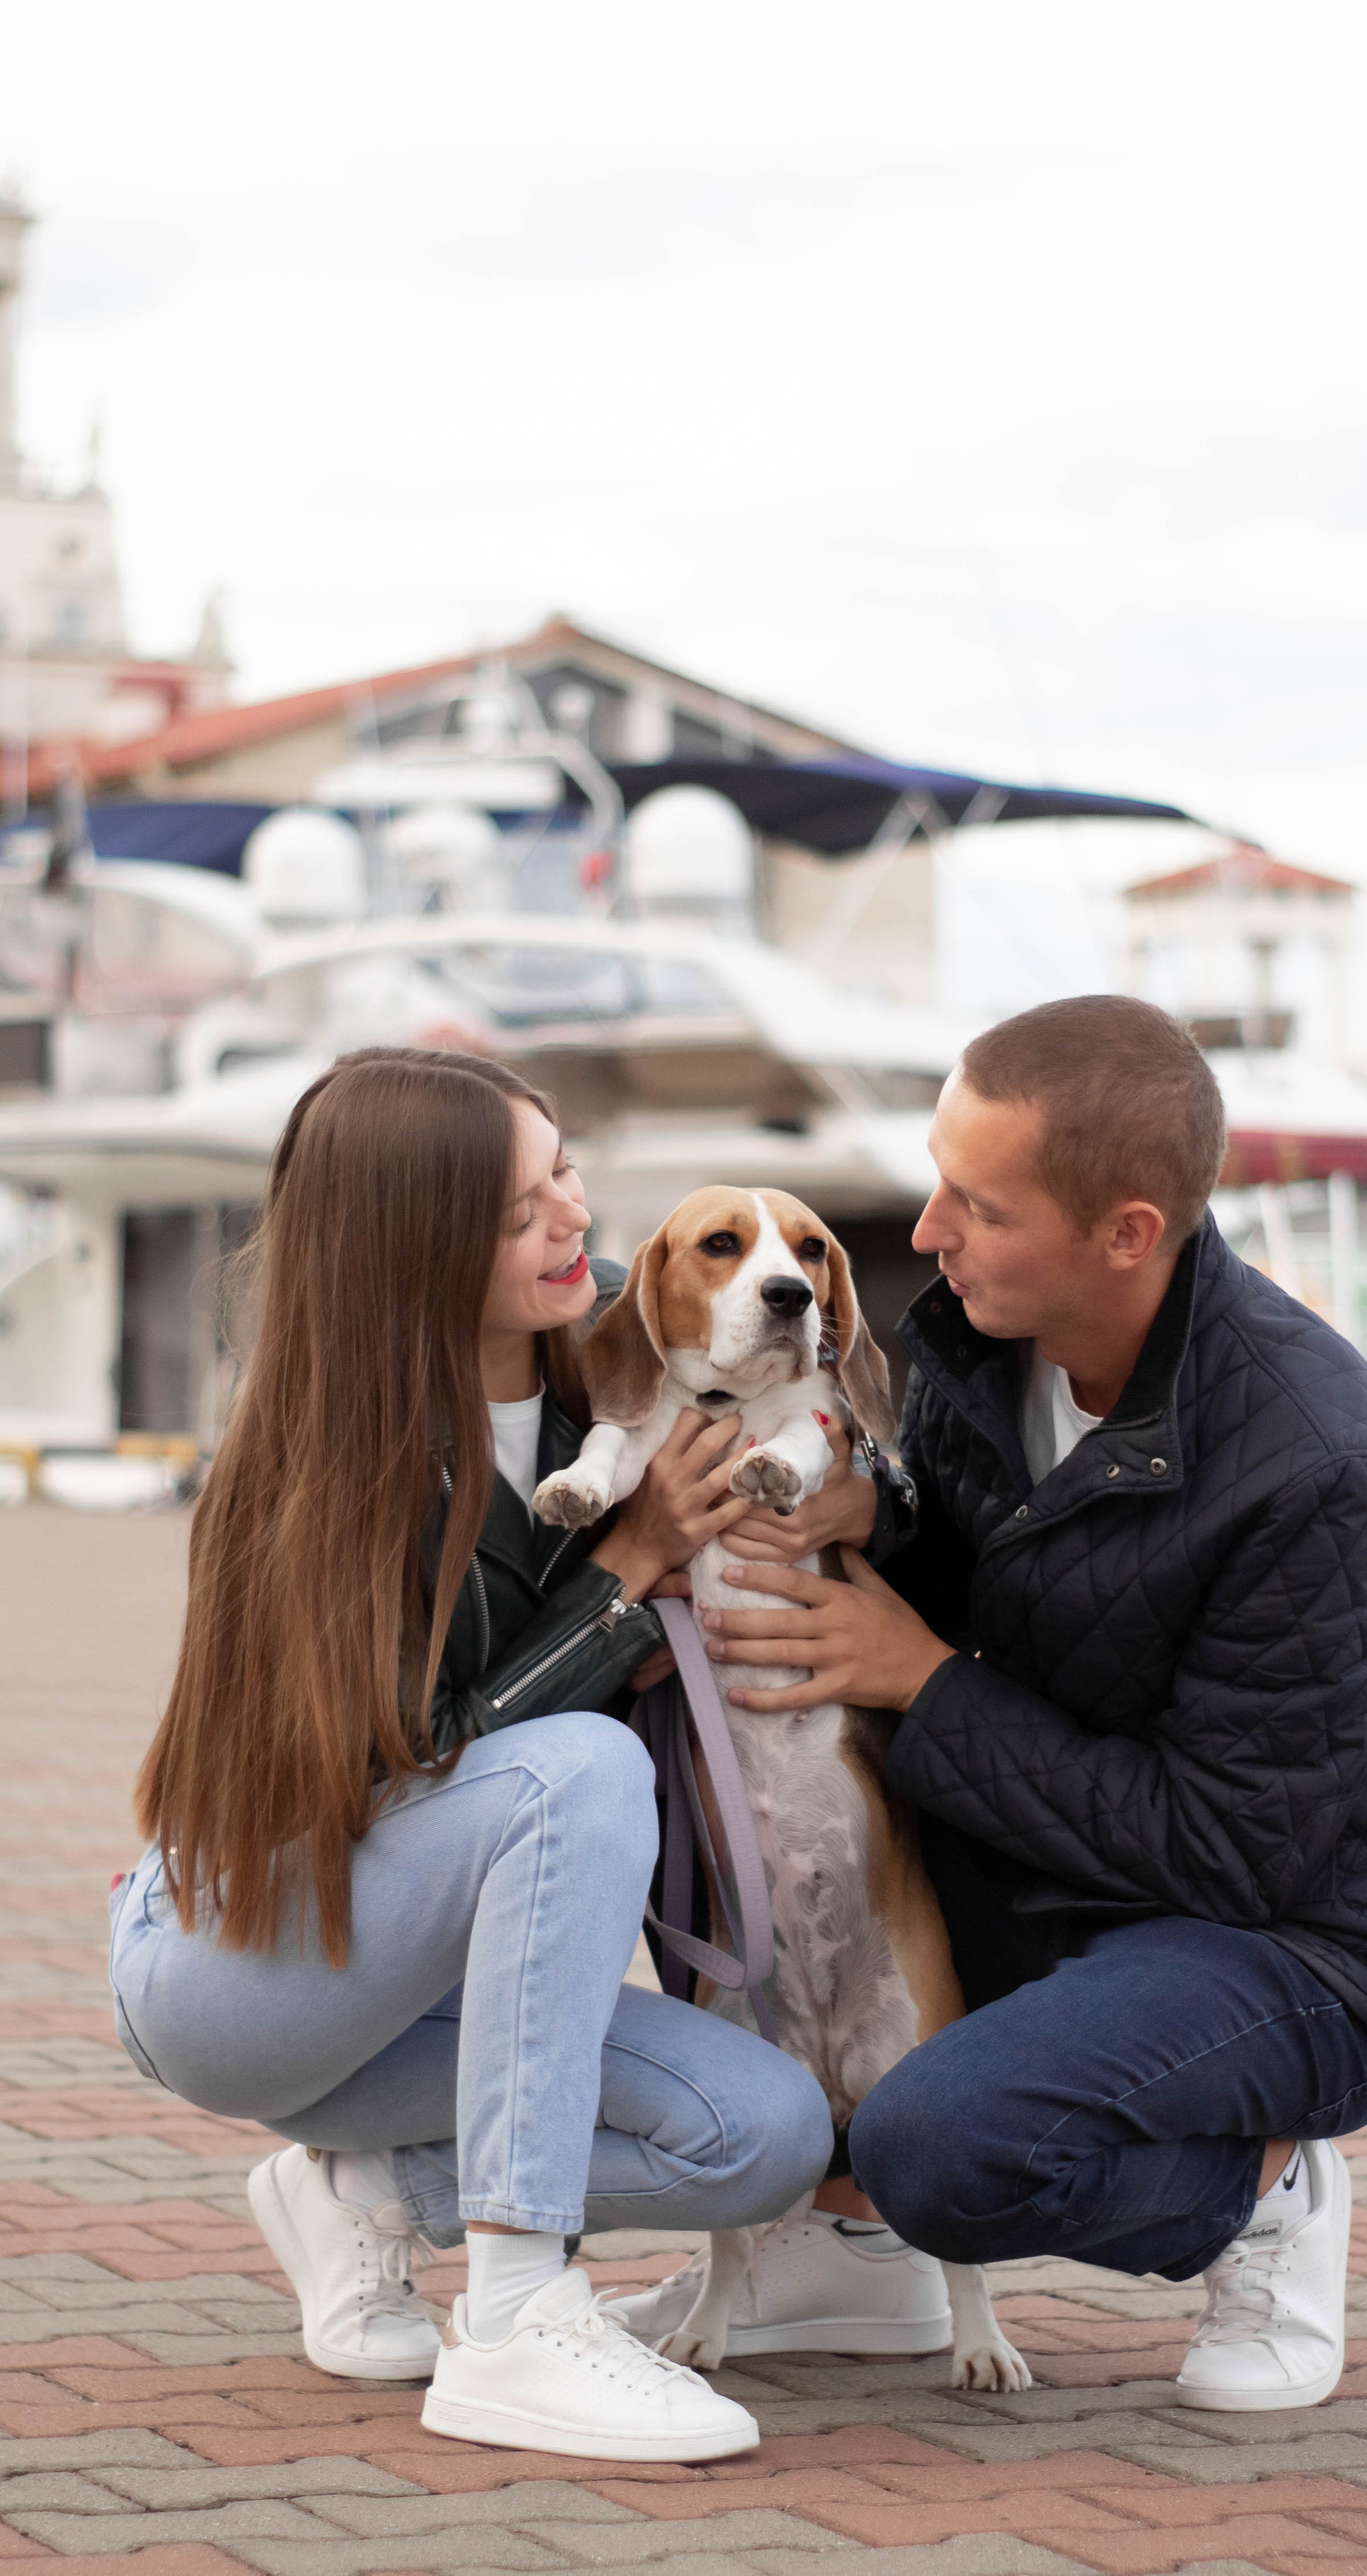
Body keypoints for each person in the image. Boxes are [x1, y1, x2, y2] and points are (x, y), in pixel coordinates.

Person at [678, 994, 1367, 2411]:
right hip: (1048, 1866)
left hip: (1288, 1941)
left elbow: (1235, 1849)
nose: (922, 1232)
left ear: (1126, 1233)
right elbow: (1016, 1587)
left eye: (976, 1204)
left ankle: (1269, 2188)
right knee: (730, 1837)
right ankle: (847, 2251)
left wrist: (917, 1677)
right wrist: (878, 1512)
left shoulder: (1315, 1467)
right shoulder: (979, 1349)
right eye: (935, 1179)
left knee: (947, 2150)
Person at [108, 1046, 833, 2462]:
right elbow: (419, 1768)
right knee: (579, 1768)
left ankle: (363, 2198)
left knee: (764, 2134)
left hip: (432, 2004)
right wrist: (624, 1577)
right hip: (246, 1962)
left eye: (563, 1170)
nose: (573, 1218)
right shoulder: (320, 1464)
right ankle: (514, 2317)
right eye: (517, 1211)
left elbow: (828, 1405)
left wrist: (842, 1505)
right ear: (415, 1249)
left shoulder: (624, 1360)